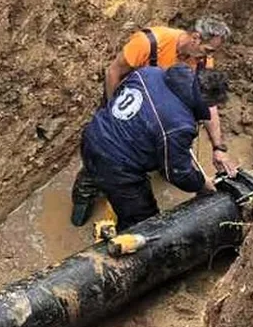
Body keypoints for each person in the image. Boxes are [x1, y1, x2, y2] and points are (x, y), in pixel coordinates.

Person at [77, 65, 226, 230]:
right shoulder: (179, 125)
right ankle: (120, 249)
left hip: (94, 134)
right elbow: (177, 173)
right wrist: (201, 184)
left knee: (91, 173)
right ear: (205, 102)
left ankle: (79, 208)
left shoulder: (150, 73)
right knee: (143, 222)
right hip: (118, 167)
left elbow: (119, 97)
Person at [102, 16, 237, 178]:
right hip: (132, 105)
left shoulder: (202, 60)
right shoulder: (148, 43)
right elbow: (113, 72)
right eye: (208, 50)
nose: (208, 57)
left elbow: (207, 102)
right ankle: (88, 190)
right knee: (110, 153)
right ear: (195, 38)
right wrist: (114, 112)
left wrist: (218, 148)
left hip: (162, 112)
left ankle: (162, 164)